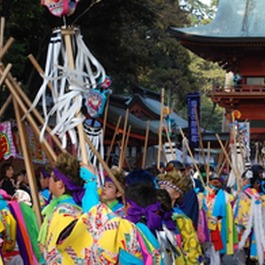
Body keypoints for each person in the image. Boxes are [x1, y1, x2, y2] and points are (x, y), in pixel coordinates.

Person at [39, 152, 143, 264]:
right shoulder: (74, 208)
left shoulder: (65, 212)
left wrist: (90, 183)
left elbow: (95, 220)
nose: (104, 189)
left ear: (60, 183)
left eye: (51, 177)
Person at [158, 168, 202, 265]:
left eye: (165, 188)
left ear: (177, 194)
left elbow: (192, 248)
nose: (161, 191)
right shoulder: (154, 213)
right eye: (160, 187)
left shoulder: (182, 219)